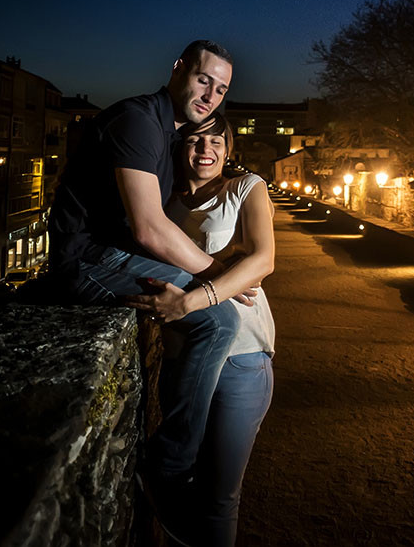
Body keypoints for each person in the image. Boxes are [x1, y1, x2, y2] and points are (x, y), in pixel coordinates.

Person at [47, 40, 257, 541]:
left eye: (221, 89)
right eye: (204, 79)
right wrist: (216, 275)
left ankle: (174, 456)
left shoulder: (168, 132)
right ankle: (168, 466)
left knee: (202, 312)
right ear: (178, 69)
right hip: (89, 261)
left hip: (108, 255)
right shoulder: (139, 120)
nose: (210, 95)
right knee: (219, 319)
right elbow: (148, 227)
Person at [156, 112, 276, 547]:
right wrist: (227, 268)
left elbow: (262, 260)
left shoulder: (246, 188)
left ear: (228, 150)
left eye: (216, 142)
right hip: (181, 357)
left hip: (241, 358)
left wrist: (189, 300)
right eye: (195, 140)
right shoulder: (163, 206)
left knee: (219, 497)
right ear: (179, 147)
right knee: (177, 481)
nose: (205, 149)